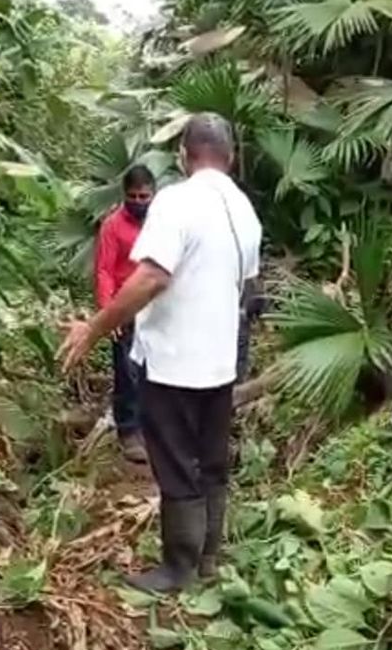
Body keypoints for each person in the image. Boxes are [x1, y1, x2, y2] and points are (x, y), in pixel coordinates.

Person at [60, 113, 262, 592]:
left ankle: (177, 568)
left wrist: (94, 328)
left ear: (183, 155)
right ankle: (207, 559)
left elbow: (152, 277)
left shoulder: (176, 201)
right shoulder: (245, 209)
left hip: (174, 362)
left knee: (173, 463)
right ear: (231, 157)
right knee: (211, 461)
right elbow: (248, 287)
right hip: (220, 362)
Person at [95, 165, 155, 464]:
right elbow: (105, 270)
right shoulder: (113, 225)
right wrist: (109, 311)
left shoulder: (162, 222)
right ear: (124, 195)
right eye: (133, 196)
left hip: (155, 306)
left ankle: (154, 430)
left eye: (144, 196)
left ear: (153, 194)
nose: (138, 202)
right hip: (125, 306)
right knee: (126, 370)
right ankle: (129, 430)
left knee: (155, 371)